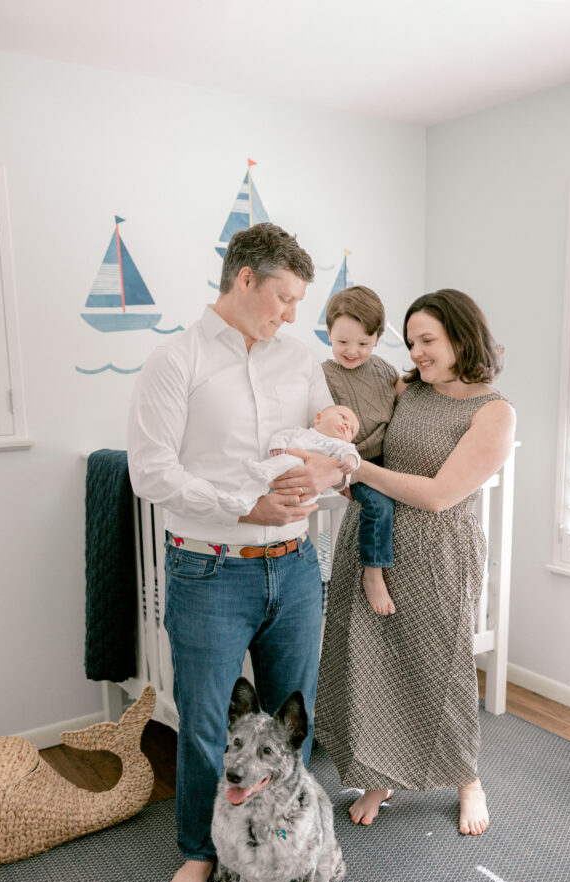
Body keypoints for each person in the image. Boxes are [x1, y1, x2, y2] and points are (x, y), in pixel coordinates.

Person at [127, 223, 347, 882]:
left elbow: (332, 450)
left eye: (298, 303)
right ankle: (200, 850)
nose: (291, 315)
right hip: (210, 570)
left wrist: (330, 463)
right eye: (283, 298)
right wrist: (245, 506)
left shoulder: (300, 361)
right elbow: (150, 472)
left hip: (296, 566)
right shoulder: (177, 361)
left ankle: (285, 839)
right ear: (244, 279)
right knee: (205, 725)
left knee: (290, 720)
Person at [311, 288, 516, 834]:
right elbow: (372, 437)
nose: (417, 352)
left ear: (462, 337)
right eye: (411, 343)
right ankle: (380, 778)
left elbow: (439, 495)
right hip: (372, 541)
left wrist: (355, 468)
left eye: (428, 340)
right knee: (371, 664)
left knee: (439, 667)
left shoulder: (493, 412)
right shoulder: (407, 389)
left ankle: (467, 778)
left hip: (437, 551)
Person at [321, 286, 404, 615]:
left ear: (377, 340)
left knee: (412, 494)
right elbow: (319, 427)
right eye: (343, 342)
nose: (352, 351)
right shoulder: (324, 376)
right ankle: (373, 572)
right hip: (353, 461)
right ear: (329, 334)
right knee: (379, 505)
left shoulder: (384, 370)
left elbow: (400, 403)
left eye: (363, 344)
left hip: (388, 458)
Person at [208, 404, 361, 517]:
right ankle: (241, 500)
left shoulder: (340, 445)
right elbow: (281, 436)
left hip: (302, 490)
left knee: (292, 460)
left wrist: (351, 460)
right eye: (343, 417)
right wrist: (277, 446)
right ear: (318, 418)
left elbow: (353, 454)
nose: (347, 425)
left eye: (352, 430)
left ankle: (265, 470)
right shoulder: (301, 432)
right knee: (257, 483)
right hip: (279, 478)